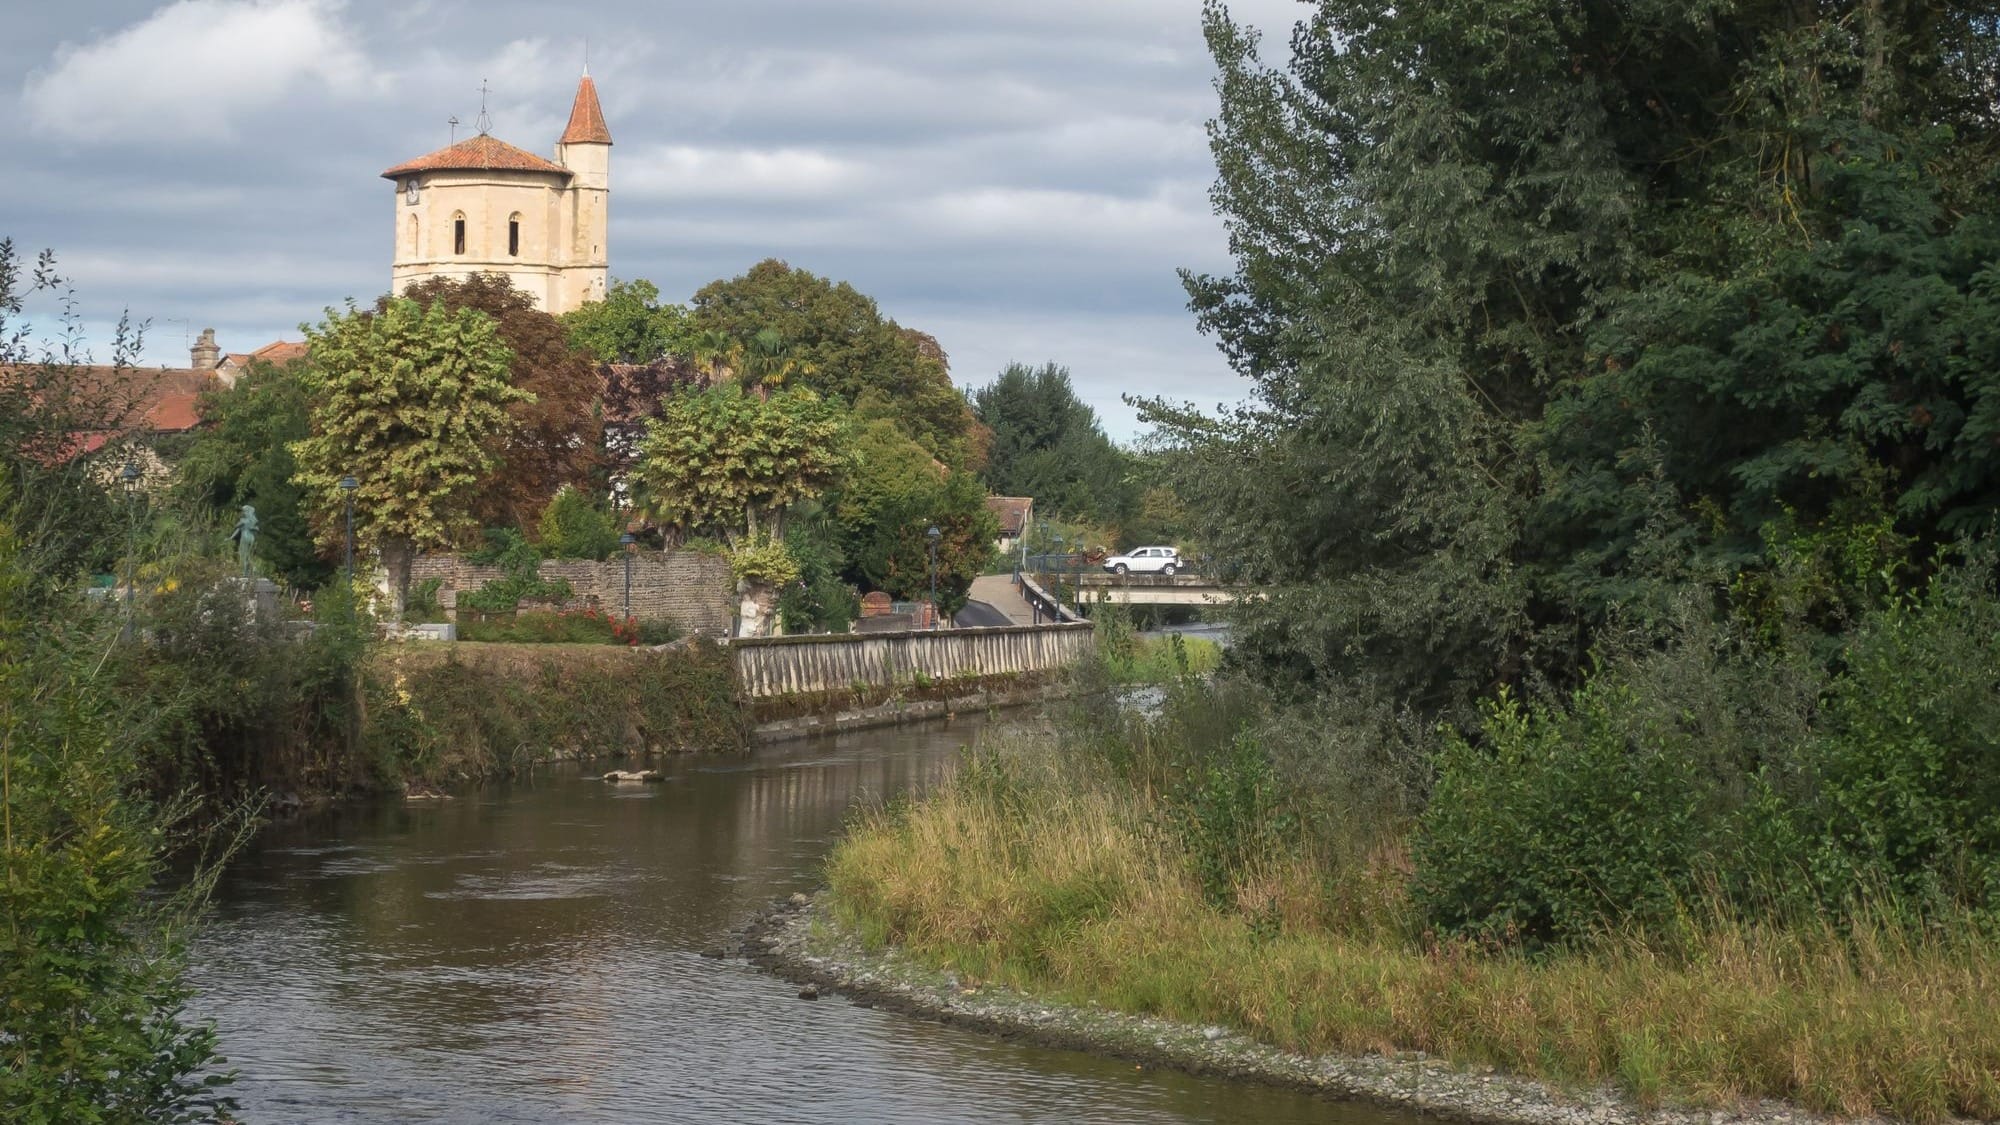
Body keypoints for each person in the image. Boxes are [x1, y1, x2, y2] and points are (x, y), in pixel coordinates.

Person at [228, 505, 259, 576]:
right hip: (251, 538)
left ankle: (244, 572)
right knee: (249, 555)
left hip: (245, 537)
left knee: (243, 554)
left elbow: (237, 527)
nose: (243, 512)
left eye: (244, 511)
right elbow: (256, 529)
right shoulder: (253, 521)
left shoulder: (243, 520)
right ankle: (252, 569)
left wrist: (231, 537)